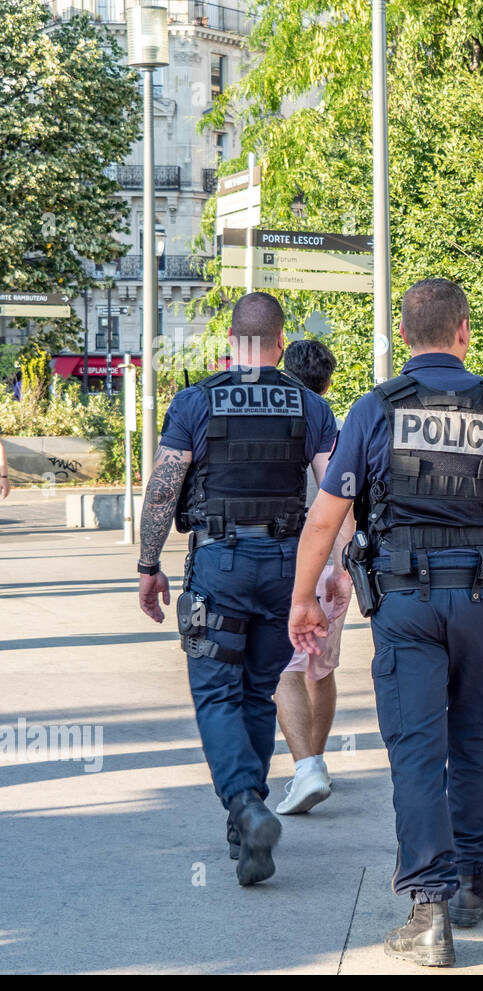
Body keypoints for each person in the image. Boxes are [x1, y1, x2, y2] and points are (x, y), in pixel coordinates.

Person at [288, 278, 483, 967]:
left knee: (416, 746)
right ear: (464, 331)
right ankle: (474, 880)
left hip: (405, 603)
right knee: (477, 734)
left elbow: (326, 517)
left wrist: (302, 599)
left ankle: (428, 909)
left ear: (405, 336)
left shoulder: (374, 409)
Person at [136, 292, 338, 886]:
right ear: (280, 343)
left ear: (229, 340)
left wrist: (150, 564)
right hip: (285, 566)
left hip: (220, 564)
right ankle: (244, 825)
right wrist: (331, 568)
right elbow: (334, 495)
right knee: (257, 691)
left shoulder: (196, 402)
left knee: (217, 692)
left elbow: (164, 488)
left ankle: (246, 806)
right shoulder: (309, 406)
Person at [273, 339, 352, 814]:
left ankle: (307, 768)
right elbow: (346, 500)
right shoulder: (339, 430)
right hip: (333, 565)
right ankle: (318, 761)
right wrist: (345, 566)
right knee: (321, 669)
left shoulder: (281, 424)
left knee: (286, 667)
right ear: (328, 379)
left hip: (292, 561)